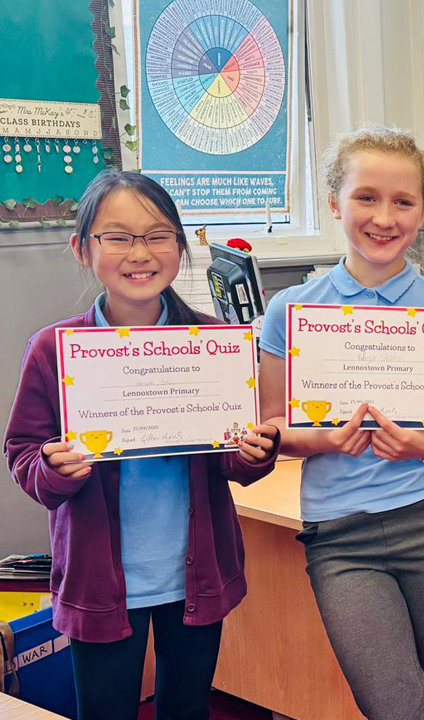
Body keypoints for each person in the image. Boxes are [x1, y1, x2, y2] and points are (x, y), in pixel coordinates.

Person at [3, 170, 280, 720]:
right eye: (118, 236)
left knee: (186, 708)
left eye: (157, 235)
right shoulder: (55, 350)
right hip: (99, 580)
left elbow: (231, 455)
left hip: (195, 577)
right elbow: (24, 455)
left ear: (179, 247)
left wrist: (255, 453)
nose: (140, 252)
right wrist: (55, 469)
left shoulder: (212, 344)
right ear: (82, 249)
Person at [257, 126, 424, 720]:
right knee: (396, 708)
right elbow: (270, 430)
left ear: (423, 211)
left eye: (403, 201)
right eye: (366, 197)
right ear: (334, 202)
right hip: (340, 537)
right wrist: (322, 438)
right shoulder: (292, 311)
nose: (384, 217)